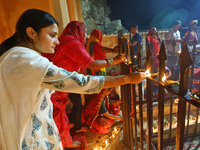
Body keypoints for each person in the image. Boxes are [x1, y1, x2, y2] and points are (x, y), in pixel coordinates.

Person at [0, 9, 147, 150]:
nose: (57, 42)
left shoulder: (15, 56)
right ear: (31, 33)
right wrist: (127, 78)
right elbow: (81, 81)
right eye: (52, 35)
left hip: (20, 127)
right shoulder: (29, 62)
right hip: (27, 136)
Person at [42, 21, 126, 149]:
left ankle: (64, 139)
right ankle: (64, 142)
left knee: (57, 111)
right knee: (57, 112)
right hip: (56, 86)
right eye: (85, 32)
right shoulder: (72, 43)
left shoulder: (65, 40)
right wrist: (115, 62)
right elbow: (92, 64)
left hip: (55, 83)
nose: (86, 36)